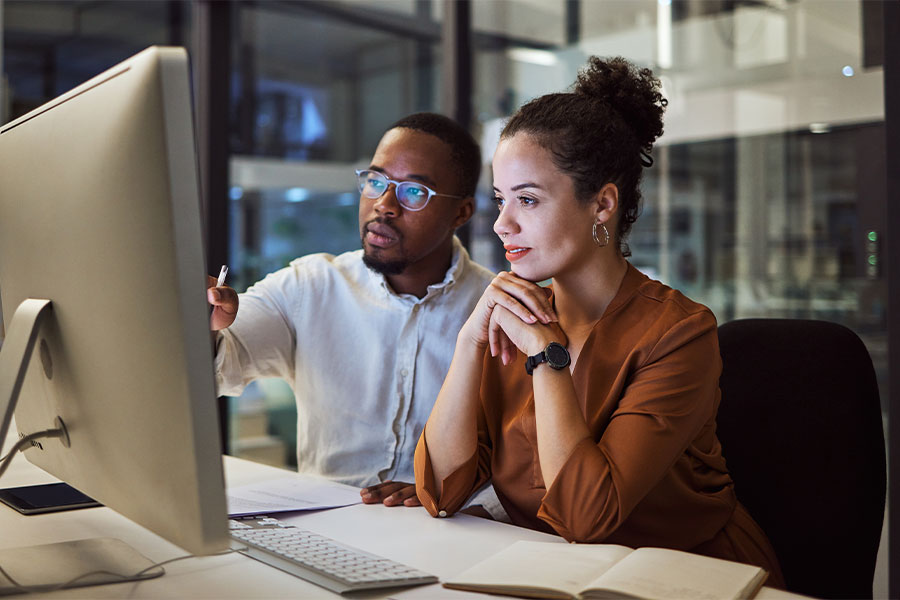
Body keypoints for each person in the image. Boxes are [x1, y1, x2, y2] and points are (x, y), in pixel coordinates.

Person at [414, 57, 785, 586]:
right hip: (550, 574)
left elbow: (587, 517)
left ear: (603, 204)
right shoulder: (512, 317)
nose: (502, 224)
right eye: (500, 200)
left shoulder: (678, 333)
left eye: (527, 200)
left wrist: (547, 357)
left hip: (682, 578)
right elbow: (439, 492)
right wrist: (469, 341)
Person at [208, 112, 501, 514]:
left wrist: (457, 496)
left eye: (414, 192)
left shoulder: (496, 311)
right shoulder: (310, 286)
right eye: (376, 181)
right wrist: (208, 328)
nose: (384, 205)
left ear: (462, 213)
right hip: (321, 523)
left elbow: (526, 465)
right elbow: (218, 369)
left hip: (449, 527)